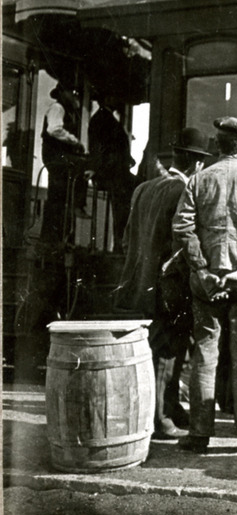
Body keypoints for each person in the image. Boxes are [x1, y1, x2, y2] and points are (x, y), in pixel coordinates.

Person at [173, 116, 237, 454]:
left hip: (206, 281)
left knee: (205, 352)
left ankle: (199, 433)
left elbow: (183, 228)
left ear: (217, 145)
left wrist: (203, 269)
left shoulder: (198, 180)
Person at [116, 127, 211, 440]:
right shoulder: (184, 191)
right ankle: (161, 418)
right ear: (196, 164)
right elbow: (179, 245)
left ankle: (170, 406)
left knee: (161, 347)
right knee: (169, 350)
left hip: (143, 282)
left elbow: (127, 238)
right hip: (170, 285)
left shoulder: (143, 188)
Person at [86, 91, 138, 248]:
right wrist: (98, 168)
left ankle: (122, 243)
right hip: (112, 172)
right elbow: (99, 148)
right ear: (107, 98)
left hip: (116, 169)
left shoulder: (105, 118)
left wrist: (127, 159)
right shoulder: (102, 119)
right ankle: (121, 244)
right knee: (122, 207)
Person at [40, 84, 88, 243]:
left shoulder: (66, 111)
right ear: (61, 93)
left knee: (58, 197)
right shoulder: (57, 108)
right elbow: (54, 130)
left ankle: (56, 238)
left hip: (58, 156)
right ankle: (78, 204)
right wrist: (74, 141)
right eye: (71, 92)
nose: (74, 96)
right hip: (54, 155)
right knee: (82, 164)